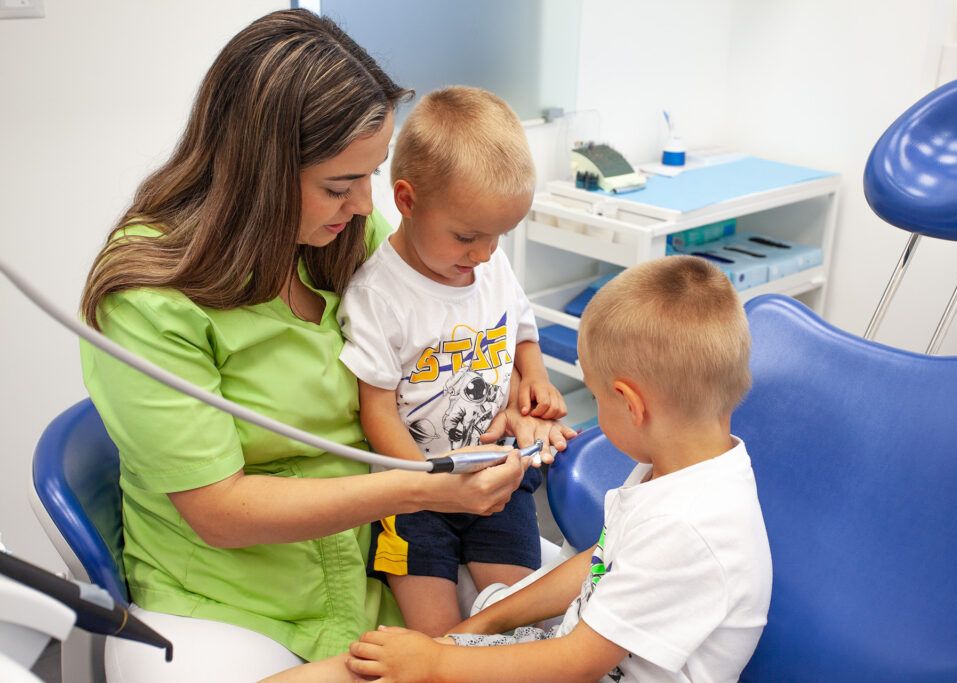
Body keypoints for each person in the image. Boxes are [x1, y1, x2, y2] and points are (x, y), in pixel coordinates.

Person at [79, 10, 555, 682]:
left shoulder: (342, 235)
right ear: (259, 172)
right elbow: (220, 511)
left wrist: (506, 399)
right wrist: (422, 489)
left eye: (371, 176)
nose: (364, 205)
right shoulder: (147, 299)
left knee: (567, 626)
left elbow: (451, 328)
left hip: (377, 553)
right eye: (338, 185)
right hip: (238, 599)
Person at [343, 254, 774, 682]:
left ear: (630, 404)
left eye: (597, 397)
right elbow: (603, 560)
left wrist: (435, 662)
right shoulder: (682, 467)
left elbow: (577, 663)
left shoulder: (685, 525)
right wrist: (481, 624)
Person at [337, 85, 576, 637]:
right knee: (438, 640)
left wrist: (536, 378)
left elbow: (521, 331)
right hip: (412, 498)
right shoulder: (377, 295)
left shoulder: (489, 265)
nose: (485, 255)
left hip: (497, 475)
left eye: (498, 237)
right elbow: (376, 412)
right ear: (406, 201)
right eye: (467, 236)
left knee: (517, 619)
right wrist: (429, 486)